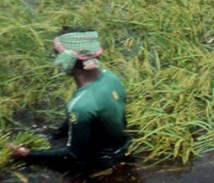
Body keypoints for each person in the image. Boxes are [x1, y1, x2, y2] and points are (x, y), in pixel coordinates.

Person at [6, 28, 131, 173]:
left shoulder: (80, 106)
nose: (56, 60)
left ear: (69, 58)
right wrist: (54, 136)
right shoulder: (110, 77)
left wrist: (26, 154)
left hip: (100, 163)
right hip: (122, 147)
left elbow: (74, 155)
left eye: (57, 53)